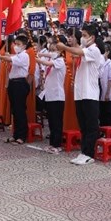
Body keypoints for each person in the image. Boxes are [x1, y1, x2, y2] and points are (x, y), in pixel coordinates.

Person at [60, 24, 104, 165]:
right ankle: (84, 151)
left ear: (92, 37)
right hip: (80, 93)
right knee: (83, 125)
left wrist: (65, 47)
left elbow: (77, 51)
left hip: (90, 94)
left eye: (85, 36)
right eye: (82, 35)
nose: (82, 38)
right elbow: (77, 53)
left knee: (91, 126)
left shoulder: (94, 50)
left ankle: (89, 153)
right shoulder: (84, 51)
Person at [0, 35, 31, 145]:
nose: (16, 46)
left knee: (20, 110)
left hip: (20, 84)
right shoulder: (17, 55)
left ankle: (22, 136)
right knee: (14, 110)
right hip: (13, 83)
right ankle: (15, 134)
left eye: (18, 44)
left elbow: (9, 59)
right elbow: (10, 57)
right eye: (15, 44)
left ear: (24, 45)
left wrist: (0, 56)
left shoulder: (24, 55)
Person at [37, 40, 66, 152]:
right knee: (51, 121)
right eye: (51, 50)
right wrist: (40, 54)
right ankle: (52, 143)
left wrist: (37, 59)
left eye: (54, 50)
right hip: (49, 95)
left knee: (57, 121)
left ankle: (57, 144)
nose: (52, 52)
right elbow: (48, 58)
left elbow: (47, 63)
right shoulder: (53, 59)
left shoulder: (60, 61)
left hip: (57, 96)